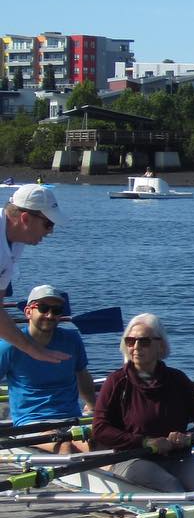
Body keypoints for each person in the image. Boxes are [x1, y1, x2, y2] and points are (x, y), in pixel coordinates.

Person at [89, 313, 194, 493]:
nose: (136, 347)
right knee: (171, 486)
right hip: (133, 458)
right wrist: (146, 442)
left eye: (144, 342)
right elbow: (100, 429)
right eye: (130, 341)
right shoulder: (117, 382)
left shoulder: (178, 380)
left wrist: (189, 437)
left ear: (160, 345)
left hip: (176, 456)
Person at [0, 285, 95, 443]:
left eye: (56, 310)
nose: (50, 315)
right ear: (28, 311)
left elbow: (83, 376)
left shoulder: (72, 340)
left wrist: (93, 407)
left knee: (97, 444)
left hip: (72, 420)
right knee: (64, 446)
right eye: (43, 308)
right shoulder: (9, 346)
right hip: (31, 424)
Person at [0, 185, 69, 364]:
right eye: (48, 224)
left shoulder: (17, 240)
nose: (50, 231)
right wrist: (33, 350)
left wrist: (33, 349)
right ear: (25, 218)